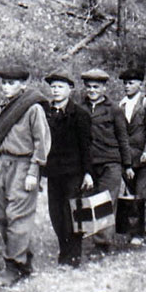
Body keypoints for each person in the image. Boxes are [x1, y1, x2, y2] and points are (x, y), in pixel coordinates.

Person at [0, 66, 51, 286]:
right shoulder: (5, 107)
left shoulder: (33, 108)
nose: (6, 87)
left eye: (11, 83)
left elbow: (42, 143)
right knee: (3, 215)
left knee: (18, 216)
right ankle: (24, 261)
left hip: (24, 165)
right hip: (5, 164)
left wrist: (33, 172)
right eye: (4, 83)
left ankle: (13, 267)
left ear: (23, 85)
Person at [42, 69, 94, 266]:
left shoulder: (80, 114)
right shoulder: (45, 113)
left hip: (74, 172)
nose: (56, 90)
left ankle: (73, 255)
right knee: (55, 213)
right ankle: (63, 251)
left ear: (70, 89)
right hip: (53, 172)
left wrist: (88, 173)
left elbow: (86, 146)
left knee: (71, 213)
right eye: (53, 87)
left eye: (60, 87)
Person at [77, 68, 130, 251]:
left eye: (96, 87)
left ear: (104, 88)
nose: (92, 90)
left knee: (105, 202)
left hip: (110, 161)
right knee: (87, 200)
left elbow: (123, 138)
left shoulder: (114, 110)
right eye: (89, 87)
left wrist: (127, 164)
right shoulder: (79, 108)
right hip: (88, 164)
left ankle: (103, 244)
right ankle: (87, 240)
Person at [116, 69, 146, 245]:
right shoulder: (121, 105)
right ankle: (133, 230)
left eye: (131, 83)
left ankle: (144, 232)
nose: (127, 86)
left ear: (140, 85)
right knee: (132, 195)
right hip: (129, 159)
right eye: (125, 83)